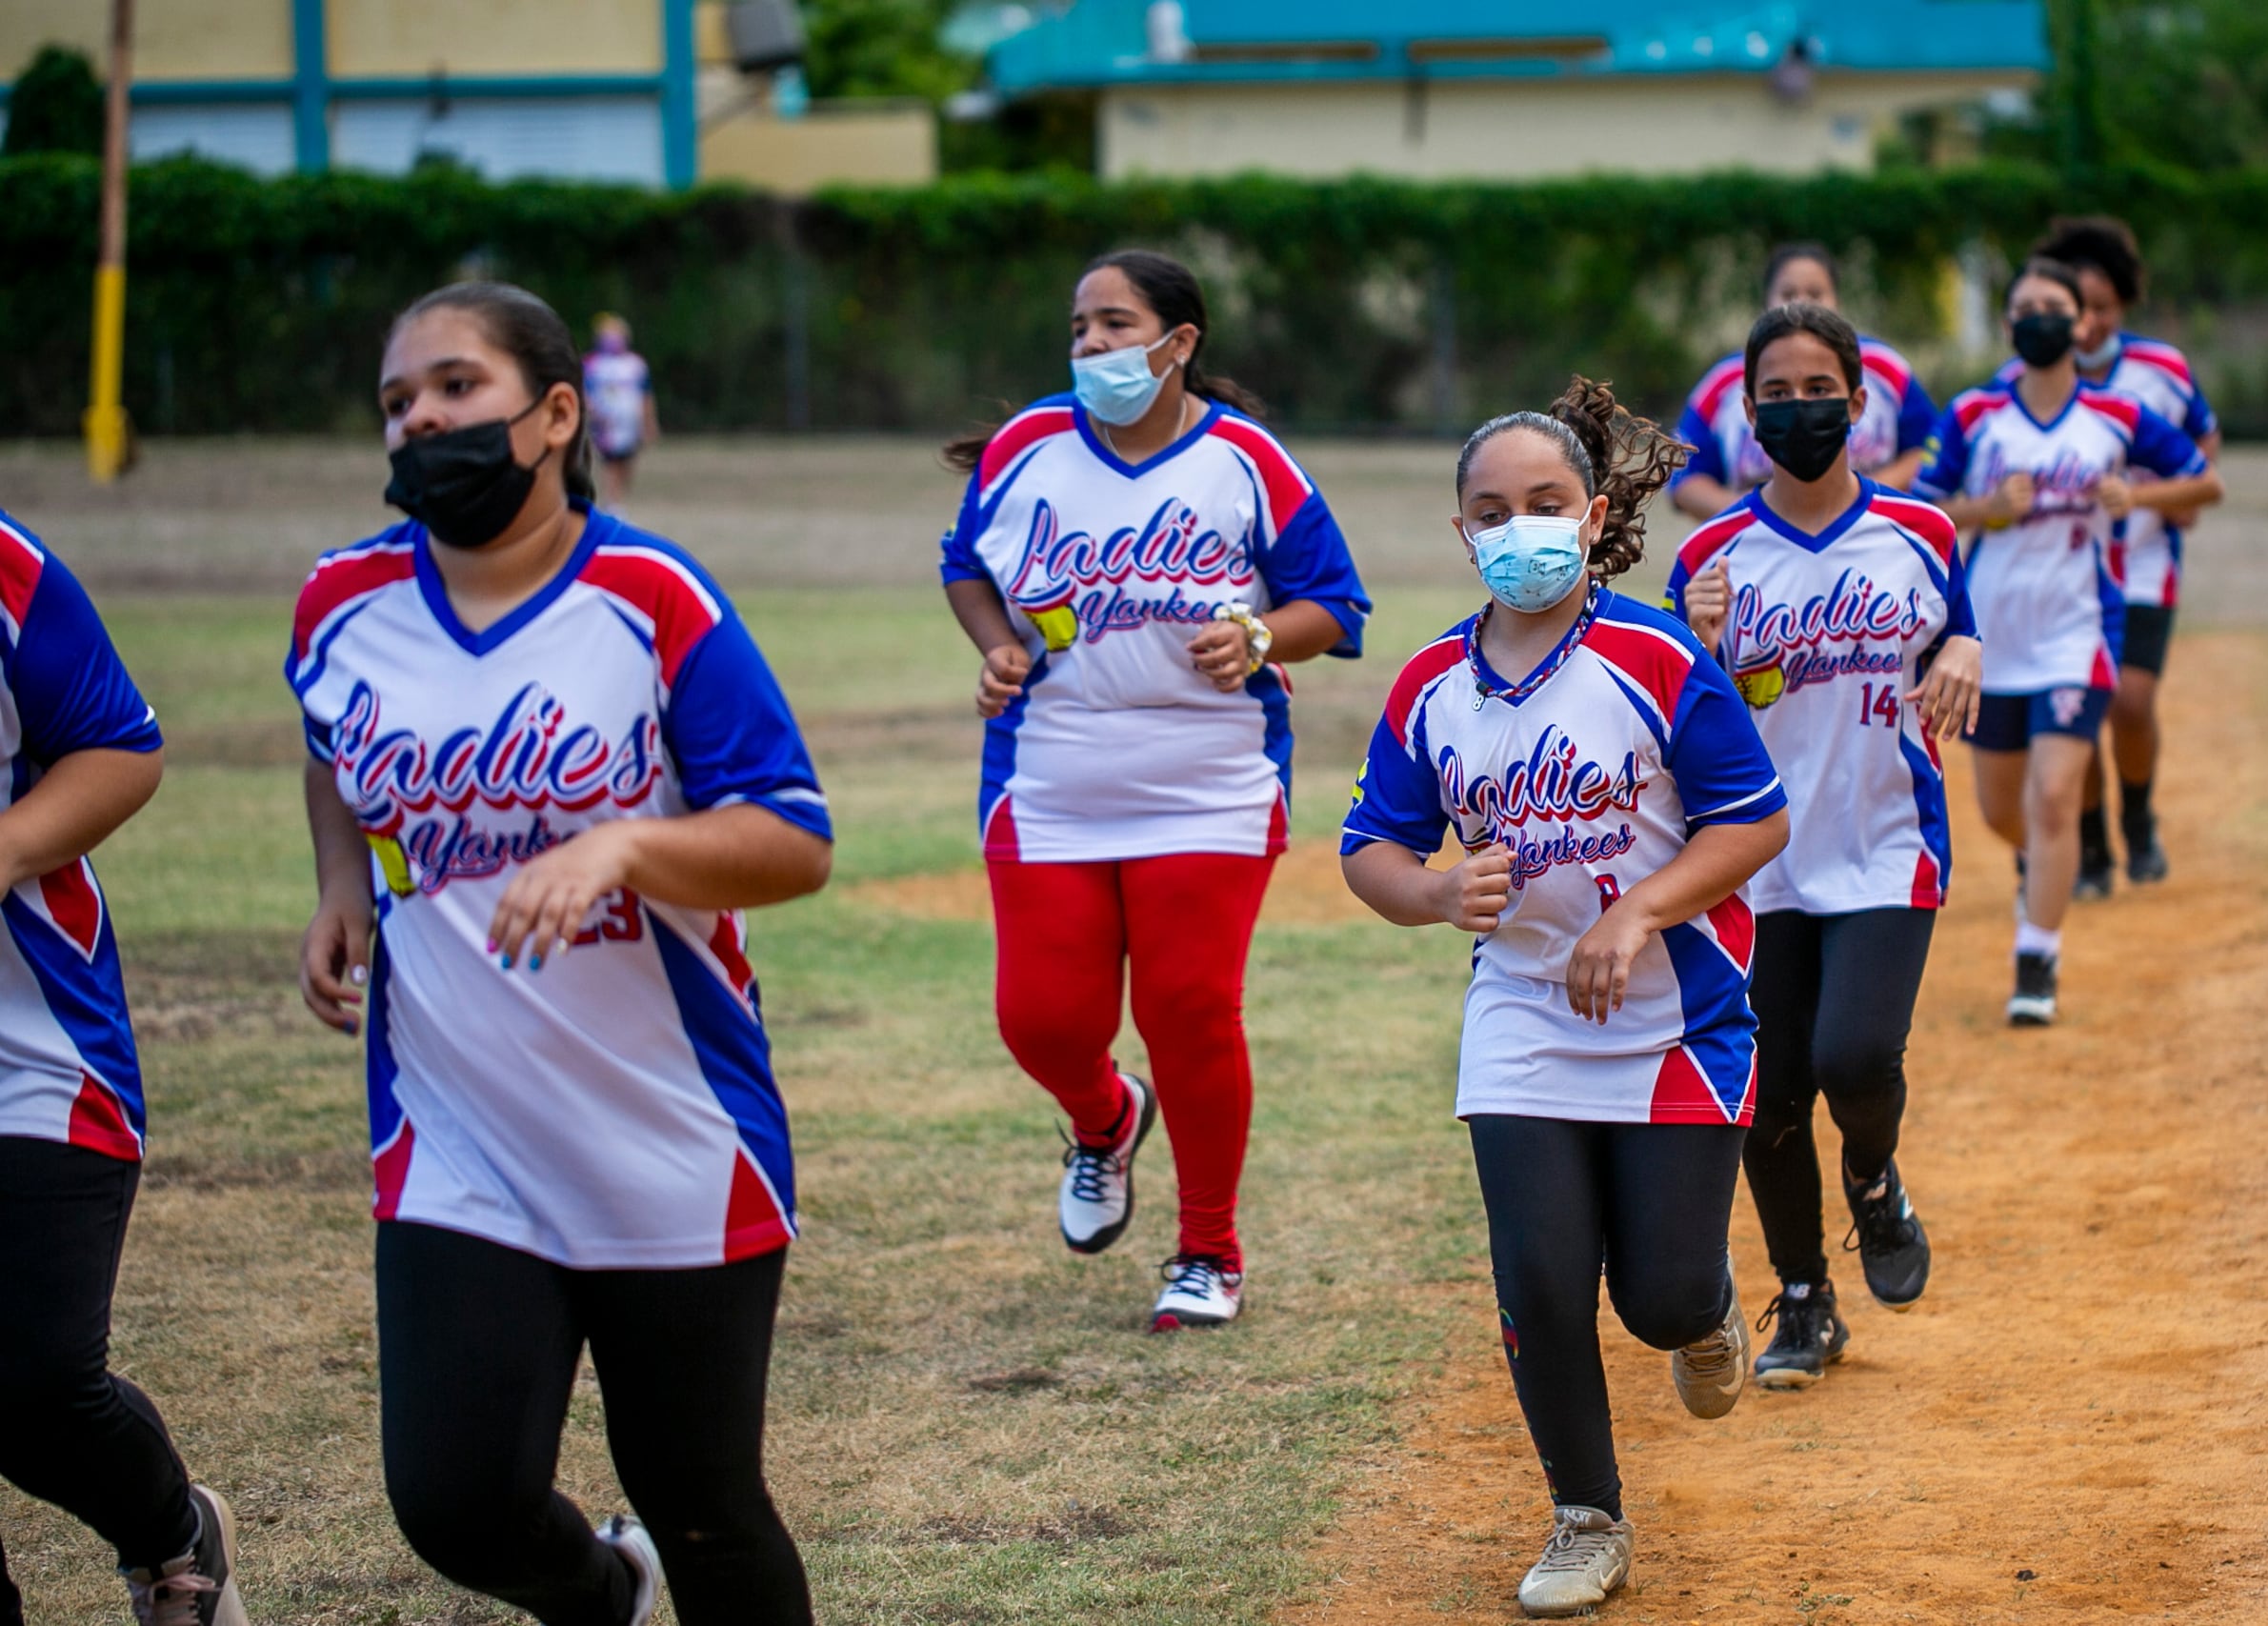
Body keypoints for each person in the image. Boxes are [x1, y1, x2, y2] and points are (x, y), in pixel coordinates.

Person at [290, 282, 833, 1626]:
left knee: (704, 1500)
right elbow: (328, 740)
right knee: (454, 1499)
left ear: (552, 413)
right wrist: (340, 880)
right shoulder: (339, 603)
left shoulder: (648, 596)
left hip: (670, 1130)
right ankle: (600, 1592)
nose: (421, 418)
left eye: (455, 387)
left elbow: (793, 835)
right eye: (397, 400)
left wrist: (627, 849)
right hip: (456, 1133)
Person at [1342, 378, 1789, 1617]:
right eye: (1493, 510)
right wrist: (1434, 894)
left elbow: (1753, 819)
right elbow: (1372, 845)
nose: (1519, 526)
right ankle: (1586, 1514)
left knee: (1654, 1296)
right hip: (1524, 1012)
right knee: (1540, 1274)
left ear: (1592, 514)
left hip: (1676, 1017)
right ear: (1462, 534)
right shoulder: (1432, 681)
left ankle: (1707, 1311)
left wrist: (1640, 908)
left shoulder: (1655, 655)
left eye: (1545, 502)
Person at [937, 249, 1370, 1333]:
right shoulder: (1027, 448)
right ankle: (1103, 1119)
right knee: (1042, 1020)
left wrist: (1261, 632)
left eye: (1115, 325)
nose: (1090, 346)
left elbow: (1335, 604)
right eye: (1079, 327)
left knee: (1185, 1008)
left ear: (1178, 344)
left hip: (1210, 776)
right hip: (1050, 771)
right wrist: (995, 647)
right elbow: (965, 567)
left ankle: (1208, 1251)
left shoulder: (1247, 461)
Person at [1664, 304, 1981, 1388]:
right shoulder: (1710, 556)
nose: (1798, 410)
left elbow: (1961, 630)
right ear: (1747, 414)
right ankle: (1804, 1297)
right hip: (1757, 864)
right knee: (1770, 1093)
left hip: (1887, 840)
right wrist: (1698, 639)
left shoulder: (1920, 531)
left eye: (1818, 390)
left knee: (1854, 1057)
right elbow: (1676, 725)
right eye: (1776, 394)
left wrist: (1970, 652)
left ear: (1859, 400)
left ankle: (1878, 1183)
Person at [0, 511, 246, 1626]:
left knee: (35, 1383)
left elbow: (120, 745)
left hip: (32, 1054)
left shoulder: (8, 571)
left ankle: (173, 1537)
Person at [1913, 258, 2221, 1025]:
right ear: (2009, 320)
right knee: (1999, 809)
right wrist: (1987, 507)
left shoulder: (2115, 415)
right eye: (2025, 306)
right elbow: (1920, 514)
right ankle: (2040, 869)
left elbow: (2203, 479)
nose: (2040, 318)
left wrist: (2138, 494)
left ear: (2081, 321)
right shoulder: (1975, 412)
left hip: (2078, 629)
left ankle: (2036, 960)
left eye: (2055, 306)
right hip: (1988, 637)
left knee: (2054, 797)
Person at [2026, 218, 2221, 896]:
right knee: (2074, 710)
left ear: (2123, 304)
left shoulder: (2159, 370)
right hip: (2064, 575)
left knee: (2131, 703)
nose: (2088, 324)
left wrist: (2164, 498)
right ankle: (2090, 847)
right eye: (2077, 308)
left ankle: (2137, 820)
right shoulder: (2028, 377)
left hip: (2139, 566)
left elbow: (2204, 438)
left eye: (2104, 307)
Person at [1668, 243, 1939, 522]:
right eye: (1788, 294)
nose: (1801, 303)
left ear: (1837, 302)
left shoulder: (1885, 370)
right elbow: (1686, 479)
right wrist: (1759, 515)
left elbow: (1929, 449)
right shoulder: (1722, 384)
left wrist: (1861, 501)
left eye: (1815, 294)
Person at [583, 314, 657, 511]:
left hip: (630, 423)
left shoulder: (636, 364)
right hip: (607, 423)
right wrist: (594, 413)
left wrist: (649, 423)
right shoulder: (593, 363)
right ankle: (613, 504)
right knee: (611, 462)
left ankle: (617, 499)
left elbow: (645, 394)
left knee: (627, 463)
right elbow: (585, 391)